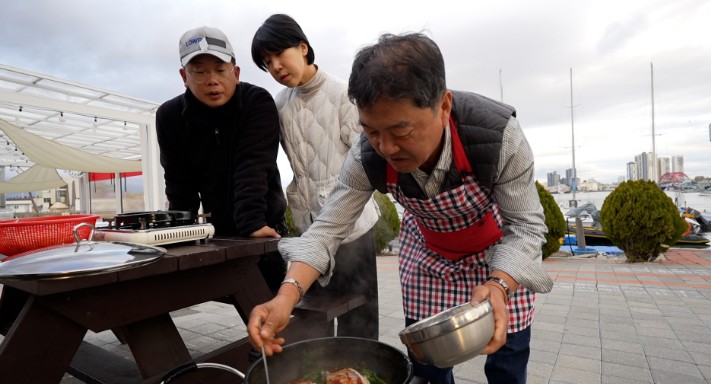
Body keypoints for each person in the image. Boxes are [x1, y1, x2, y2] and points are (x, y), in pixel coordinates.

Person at [248, 32, 554, 384]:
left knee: (507, 358)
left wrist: (500, 285)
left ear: (443, 106)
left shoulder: (499, 135)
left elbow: (527, 227)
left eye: (401, 130)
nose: (387, 148)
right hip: (428, 257)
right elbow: (327, 229)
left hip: (500, 256)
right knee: (427, 369)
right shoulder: (366, 154)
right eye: (371, 131)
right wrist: (285, 296)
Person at [250, 14, 381, 339]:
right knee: (314, 316)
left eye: (280, 54)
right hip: (309, 226)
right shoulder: (279, 105)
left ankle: (361, 371)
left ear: (303, 47)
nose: (276, 66)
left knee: (359, 316)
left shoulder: (342, 93)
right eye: (267, 62)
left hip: (353, 228)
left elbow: (365, 160)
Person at [156, 26, 287, 291]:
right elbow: (179, 183)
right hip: (213, 234)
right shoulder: (169, 117)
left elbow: (252, 164)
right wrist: (180, 233)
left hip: (262, 225)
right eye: (200, 72)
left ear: (236, 73)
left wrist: (252, 223)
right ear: (184, 76)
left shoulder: (256, 102)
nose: (212, 80)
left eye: (220, 69)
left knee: (272, 308)